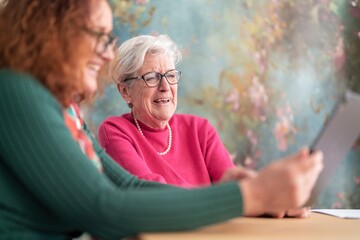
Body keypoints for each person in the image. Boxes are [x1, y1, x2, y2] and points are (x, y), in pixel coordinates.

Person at [0, 0, 323, 239]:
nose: (107, 53)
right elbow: (103, 210)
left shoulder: (64, 108)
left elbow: (128, 185)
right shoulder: (13, 90)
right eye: (98, 36)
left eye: (108, 40)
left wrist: (249, 196)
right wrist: (252, 196)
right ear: (52, 33)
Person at [98, 34, 237, 187]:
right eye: (151, 77)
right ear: (125, 91)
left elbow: (233, 188)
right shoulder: (116, 131)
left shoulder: (200, 130)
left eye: (170, 75)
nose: (165, 87)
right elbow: (151, 194)